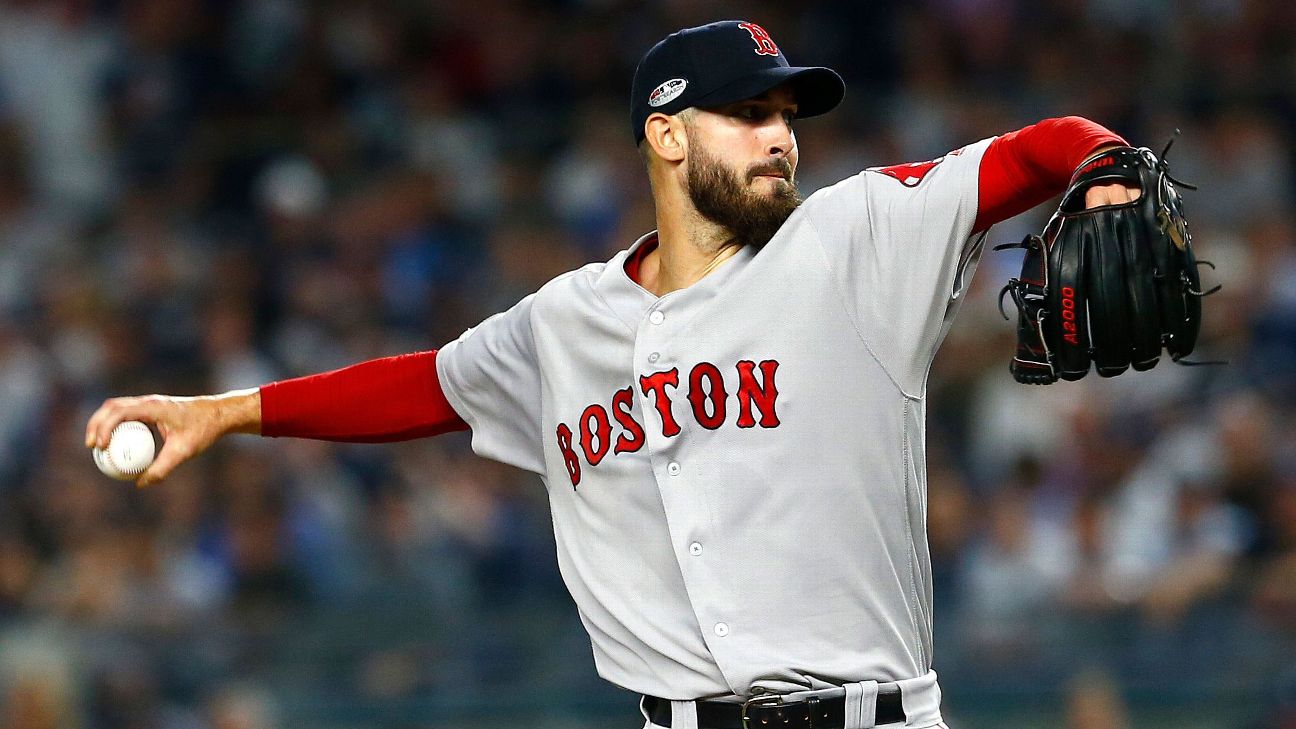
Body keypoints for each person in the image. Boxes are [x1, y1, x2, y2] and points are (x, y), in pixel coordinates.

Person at [87, 20, 1140, 729]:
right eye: (750, 114)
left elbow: (1039, 149)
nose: (782, 138)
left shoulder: (854, 239)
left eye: (788, 116)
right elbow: (425, 389)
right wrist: (222, 414)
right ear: (667, 135)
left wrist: (1107, 168)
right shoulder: (565, 322)